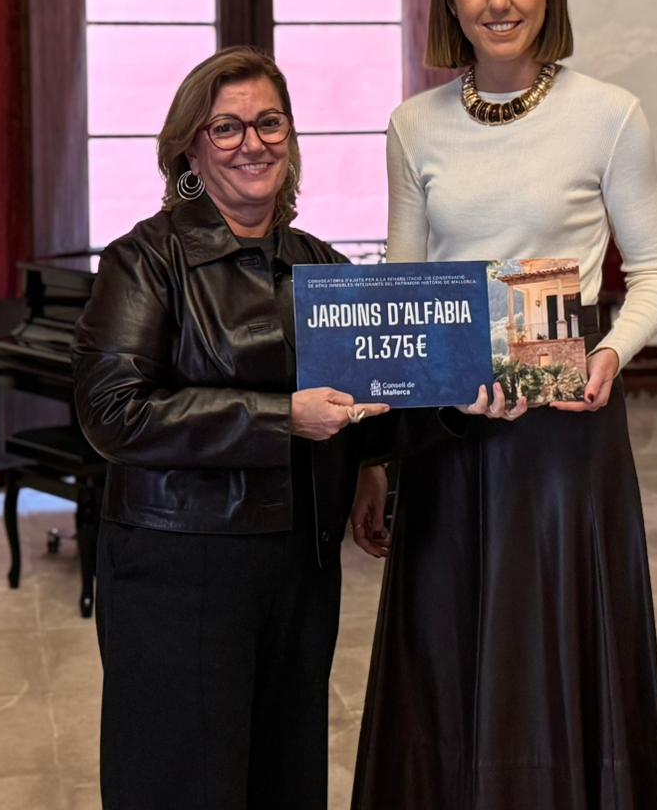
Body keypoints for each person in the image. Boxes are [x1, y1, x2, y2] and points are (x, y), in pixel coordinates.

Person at [349, 0, 657, 809]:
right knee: (448, 634)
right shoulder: (414, 124)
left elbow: (654, 273)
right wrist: (377, 454)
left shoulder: (610, 116)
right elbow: (402, 285)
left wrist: (610, 353)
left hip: (565, 430)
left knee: (550, 634)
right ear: (450, 3)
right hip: (449, 427)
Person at [73, 46, 392, 810]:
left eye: (269, 122)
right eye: (227, 128)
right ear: (189, 146)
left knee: (286, 777)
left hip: (300, 568)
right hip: (180, 567)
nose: (254, 143)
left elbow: (364, 394)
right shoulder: (144, 261)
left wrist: (373, 465)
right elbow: (112, 412)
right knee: (183, 782)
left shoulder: (323, 266)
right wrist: (284, 419)